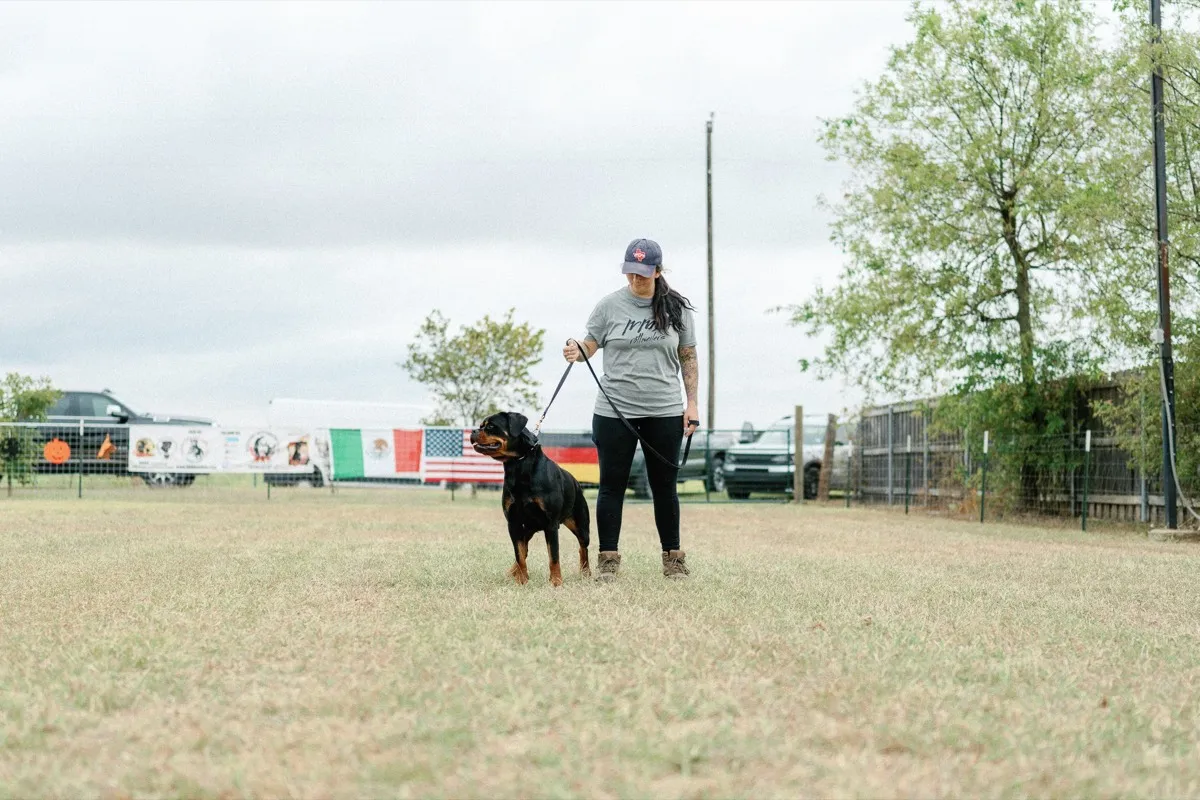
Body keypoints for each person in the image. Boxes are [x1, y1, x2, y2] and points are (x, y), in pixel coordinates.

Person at [563, 238, 700, 581]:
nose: (636, 281)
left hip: (664, 408)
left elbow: (688, 356)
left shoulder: (677, 309)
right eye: (630, 274)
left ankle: (673, 559)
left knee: (665, 486)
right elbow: (590, 345)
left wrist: (692, 403)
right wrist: (577, 350)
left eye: (642, 274)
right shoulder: (609, 306)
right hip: (615, 410)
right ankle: (608, 560)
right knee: (611, 485)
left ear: (657, 270)